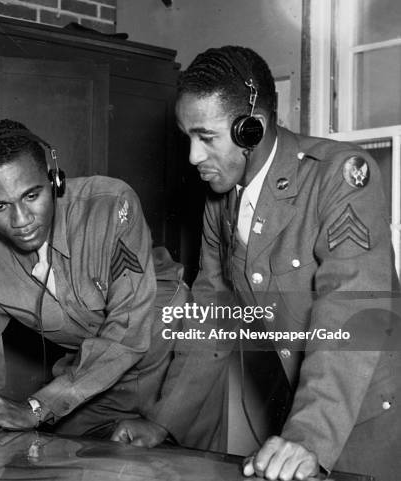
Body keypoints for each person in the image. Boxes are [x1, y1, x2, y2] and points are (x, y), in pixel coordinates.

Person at [111, 46, 401, 481]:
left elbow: (349, 313)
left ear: (252, 129)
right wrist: (165, 420)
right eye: (187, 137)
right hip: (306, 413)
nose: (192, 157)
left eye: (206, 137)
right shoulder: (221, 202)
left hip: (371, 418)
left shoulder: (339, 178)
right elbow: (212, 313)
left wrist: (308, 436)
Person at [0, 119, 185, 438]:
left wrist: (36, 407)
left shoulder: (110, 205)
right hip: (90, 380)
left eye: (31, 195)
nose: (21, 220)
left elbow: (128, 329)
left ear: (53, 179)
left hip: (177, 361)